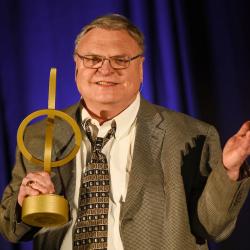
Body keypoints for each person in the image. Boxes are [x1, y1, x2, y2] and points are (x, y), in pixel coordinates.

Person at [0, 14, 250, 250]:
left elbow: (213, 227)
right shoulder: (41, 135)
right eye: (93, 59)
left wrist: (228, 171)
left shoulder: (192, 135)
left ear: (140, 68)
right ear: (76, 66)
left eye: (120, 60)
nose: (106, 70)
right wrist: (25, 202)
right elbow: (12, 230)